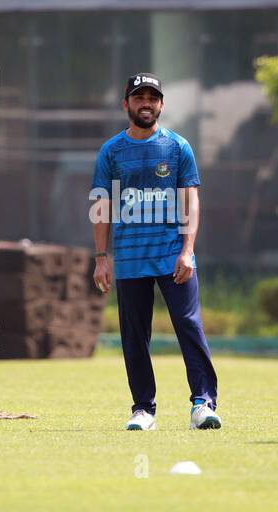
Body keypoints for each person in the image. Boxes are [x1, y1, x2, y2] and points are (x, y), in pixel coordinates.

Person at [90, 73, 220, 431]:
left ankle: (202, 403)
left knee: (189, 327)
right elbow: (102, 205)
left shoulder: (178, 147)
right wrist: (101, 258)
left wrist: (187, 250)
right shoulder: (111, 151)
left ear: (161, 105)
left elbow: (190, 202)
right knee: (135, 336)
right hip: (130, 261)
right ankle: (143, 409)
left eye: (152, 97)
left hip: (172, 257)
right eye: (138, 97)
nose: (146, 103)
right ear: (126, 104)